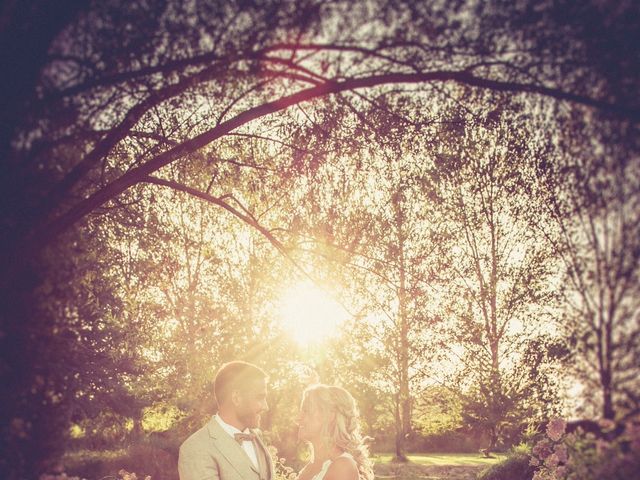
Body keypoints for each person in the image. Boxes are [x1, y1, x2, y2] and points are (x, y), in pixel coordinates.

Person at [178, 361, 273, 480]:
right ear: (236, 398)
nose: (266, 406)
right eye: (260, 397)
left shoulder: (257, 438)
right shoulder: (195, 449)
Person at [296, 384, 374, 480]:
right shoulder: (310, 467)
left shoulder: (343, 467)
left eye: (306, 411)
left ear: (329, 416)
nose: (298, 418)